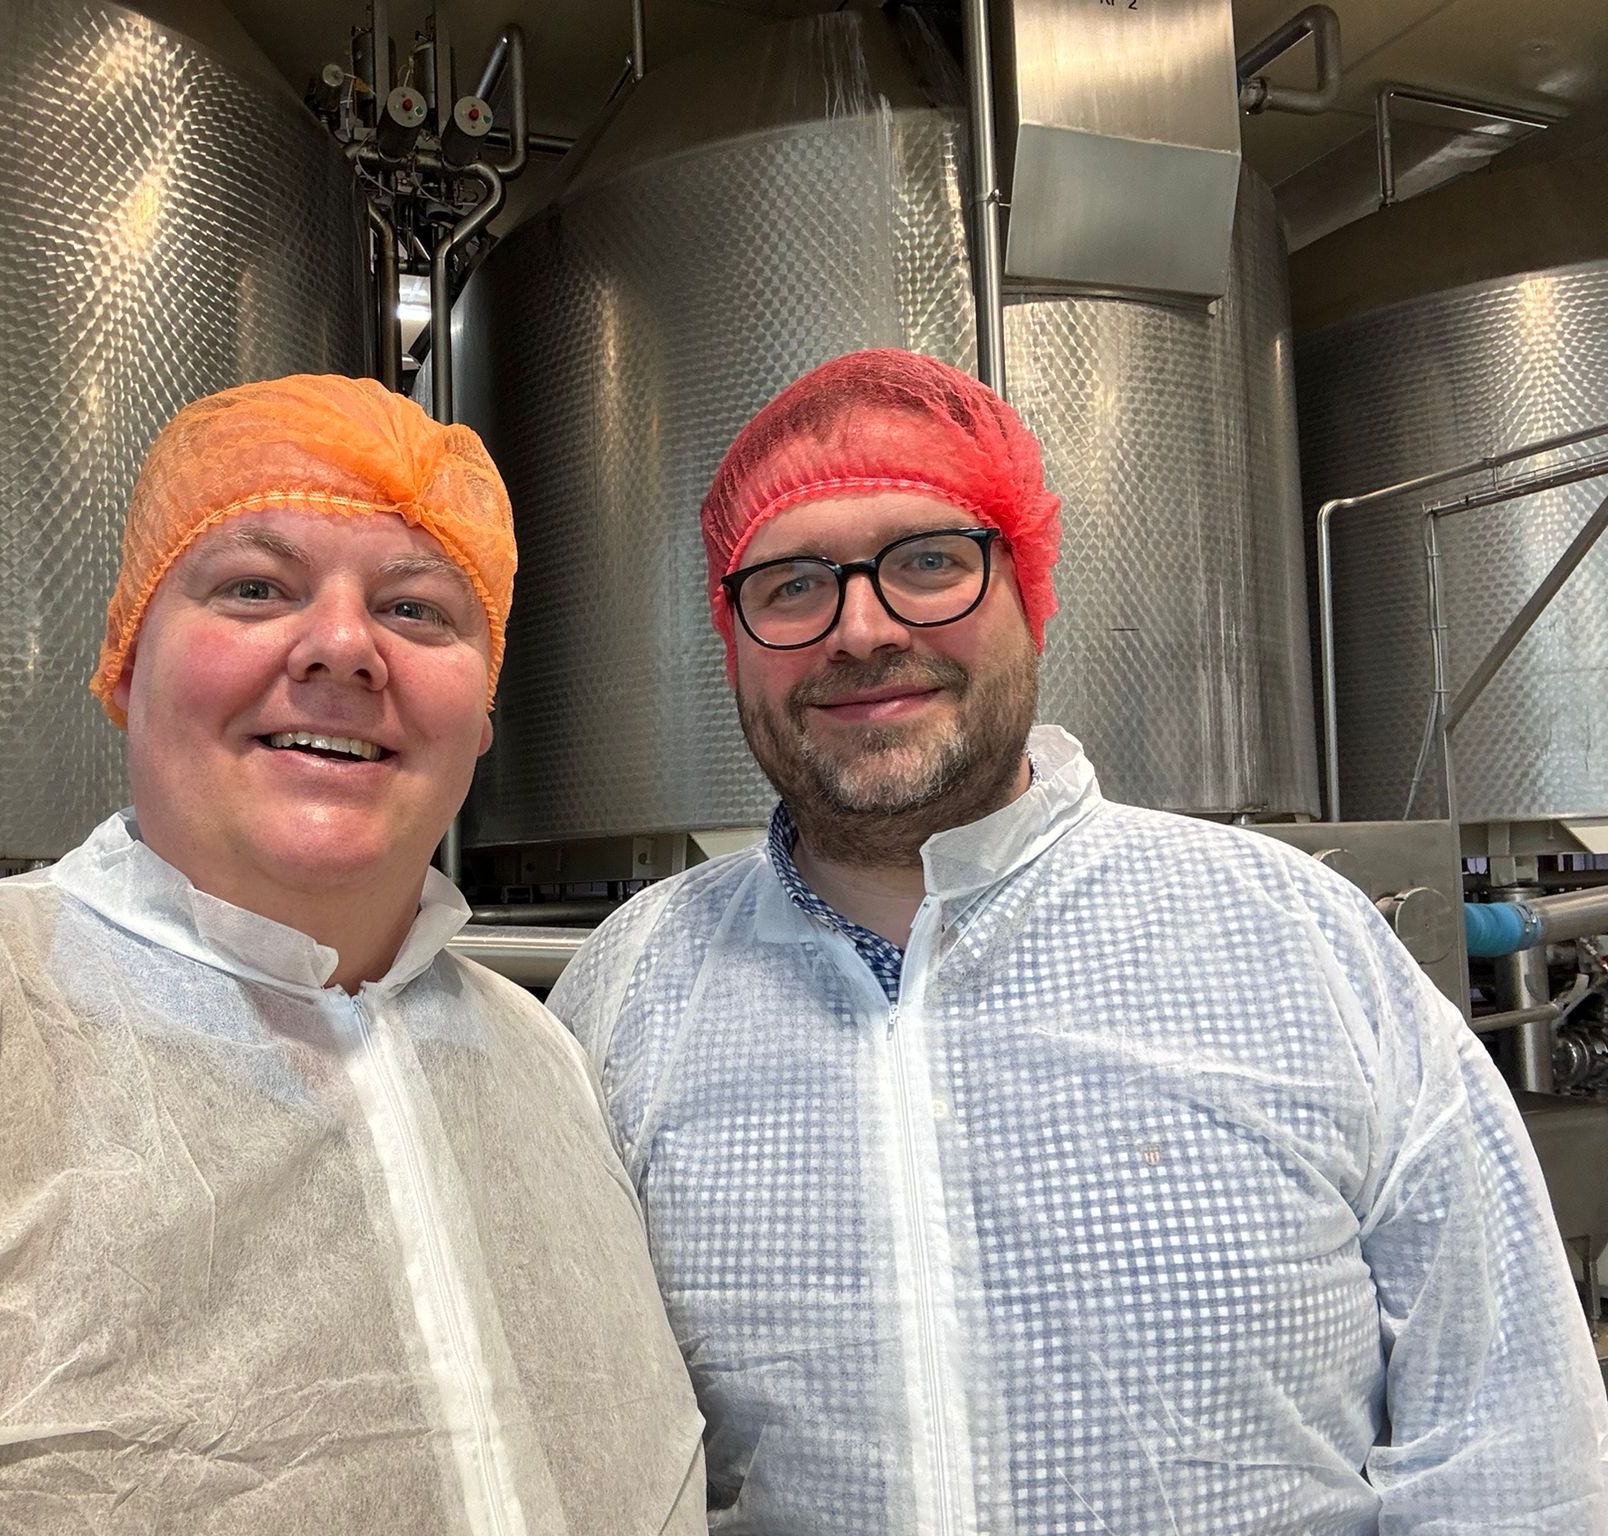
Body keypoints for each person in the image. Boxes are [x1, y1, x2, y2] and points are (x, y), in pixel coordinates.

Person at [0, 375, 704, 1534]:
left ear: (484, 709)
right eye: (254, 587)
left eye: (416, 610)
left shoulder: (547, 1060)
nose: (342, 646)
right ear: (126, 659)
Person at [549, 348, 1608, 1533]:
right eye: (790, 584)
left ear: (1028, 592)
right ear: (730, 635)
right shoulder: (632, 990)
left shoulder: (1296, 941)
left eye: (928, 561)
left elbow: (1511, 1440)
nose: (859, 627)